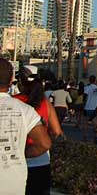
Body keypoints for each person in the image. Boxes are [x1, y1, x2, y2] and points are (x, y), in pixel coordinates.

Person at [0, 59, 52, 195]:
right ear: (11, 80)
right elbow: (44, 143)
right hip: (13, 184)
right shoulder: (24, 109)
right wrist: (23, 153)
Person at [14, 65, 63, 195]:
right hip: (42, 160)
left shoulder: (15, 101)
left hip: (18, 161)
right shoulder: (45, 103)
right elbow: (57, 131)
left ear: (20, 81)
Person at [82, 75, 97, 142]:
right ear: (95, 80)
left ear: (89, 80)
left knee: (85, 122)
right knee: (95, 123)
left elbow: (84, 96)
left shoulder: (87, 88)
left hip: (87, 107)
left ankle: (85, 136)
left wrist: (83, 104)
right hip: (95, 108)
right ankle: (96, 136)